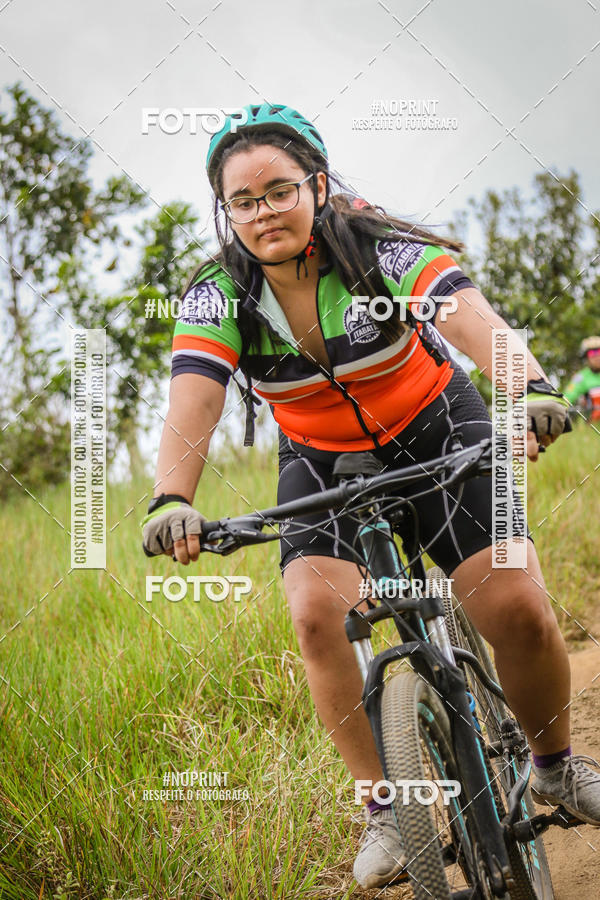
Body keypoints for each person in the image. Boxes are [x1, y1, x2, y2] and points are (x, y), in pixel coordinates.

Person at [142, 103, 600, 889]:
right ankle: (388, 809)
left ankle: (554, 765)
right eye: (243, 201)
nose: (263, 212)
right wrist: (170, 499)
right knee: (316, 615)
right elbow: (195, 400)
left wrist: (528, 389)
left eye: (279, 191)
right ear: (227, 211)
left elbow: (470, 319)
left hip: (441, 430)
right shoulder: (219, 295)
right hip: (324, 463)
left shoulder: (378, 248)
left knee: (516, 603)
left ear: (317, 187)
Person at [564, 336, 600, 422]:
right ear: (586, 357)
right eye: (592, 352)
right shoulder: (581, 378)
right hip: (593, 424)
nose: (597, 356)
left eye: (599, 351)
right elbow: (566, 398)